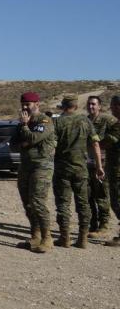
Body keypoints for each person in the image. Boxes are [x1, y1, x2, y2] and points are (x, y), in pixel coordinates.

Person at [52, 95, 104, 248]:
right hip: (81, 169)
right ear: (76, 106)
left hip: (62, 169)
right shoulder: (85, 121)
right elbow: (95, 144)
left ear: (63, 106)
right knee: (83, 204)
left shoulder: (57, 122)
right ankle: (82, 239)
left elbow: (52, 147)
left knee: (63, 204)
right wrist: (99, 166)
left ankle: (65, 237)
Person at [13, 92, 56, 252]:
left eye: (28, 104)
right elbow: (12, 144)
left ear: (37, 104)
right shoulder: (21, 123)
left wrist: (25, 126)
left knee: (38, 202)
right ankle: (35, 236)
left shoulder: (44, 121)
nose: (24, 107)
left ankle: (47, 238)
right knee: (28, 203)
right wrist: (24, 134)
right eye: (23, 104)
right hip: (25, 166)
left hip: (42, 167)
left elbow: (32, 139)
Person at [86, 95, 117, 236]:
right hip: (87, 161)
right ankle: (92, 225)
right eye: (89, 104)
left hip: (103, 162)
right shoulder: (85, 120)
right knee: (88, 195)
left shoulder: (108, 120)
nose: (91, 106)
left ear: (99, 106)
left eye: (94, 104)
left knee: (102, 194)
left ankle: (104, 225)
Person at [102, 96, 120, 247]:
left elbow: (106, 143)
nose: (111, 108)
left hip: (117, 170)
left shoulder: (117, 126)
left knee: (117, 201)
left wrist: (95, 141)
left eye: (113, 105)